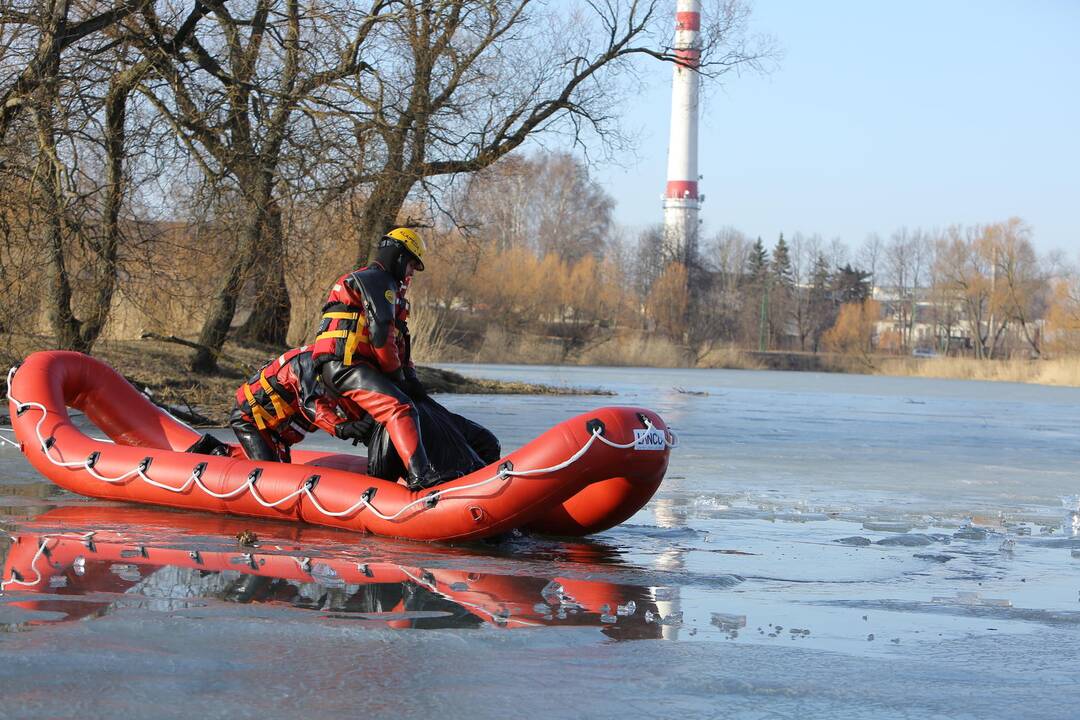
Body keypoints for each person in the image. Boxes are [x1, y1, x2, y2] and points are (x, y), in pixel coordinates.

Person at [312, 227, 454, 490]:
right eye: (411, 264)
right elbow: (380, 335)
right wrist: (396, 377)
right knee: (399, 407)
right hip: (344, 366)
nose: (411, 272)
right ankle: (420, 476)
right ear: (398, 256)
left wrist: (410, 379)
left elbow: (399, 344)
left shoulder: (385, 288)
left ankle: (382, 481)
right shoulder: (378, 280)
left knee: (389, 417)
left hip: (348, 366)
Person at [230, 346, 373, 462]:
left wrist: (365, 425)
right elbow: (311, 405)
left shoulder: (335, 370)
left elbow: (349, 403)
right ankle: (219, 453)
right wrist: (341, 428)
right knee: (270, 472)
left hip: (278, 428)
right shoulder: (306, 364)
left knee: (280, 466)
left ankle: (220, 452)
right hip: (249, 419)